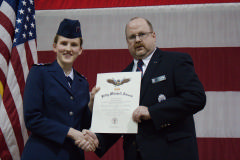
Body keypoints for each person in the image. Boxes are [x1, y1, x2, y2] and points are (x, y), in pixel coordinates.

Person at [87, 17, 206, 160]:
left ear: (153, 36)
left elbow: (195, 98)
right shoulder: (122, 77)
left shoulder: (175, 61)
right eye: (132, 37)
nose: (137, 40)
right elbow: (121, 120)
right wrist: (98, 140)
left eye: (142, 34)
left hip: (172, 153)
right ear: (127, 43)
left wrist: (152, 112)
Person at [21, 18, 98, 160]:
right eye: (63, 43)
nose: (68, 49)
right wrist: (71, 132)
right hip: (42, 154)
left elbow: (83, 125)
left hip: (73, 155)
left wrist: (91, 104)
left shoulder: (83, 82)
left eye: (74, 44)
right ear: (54, 47)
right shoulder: (39, 73)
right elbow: (32, 119)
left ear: (80, 50)